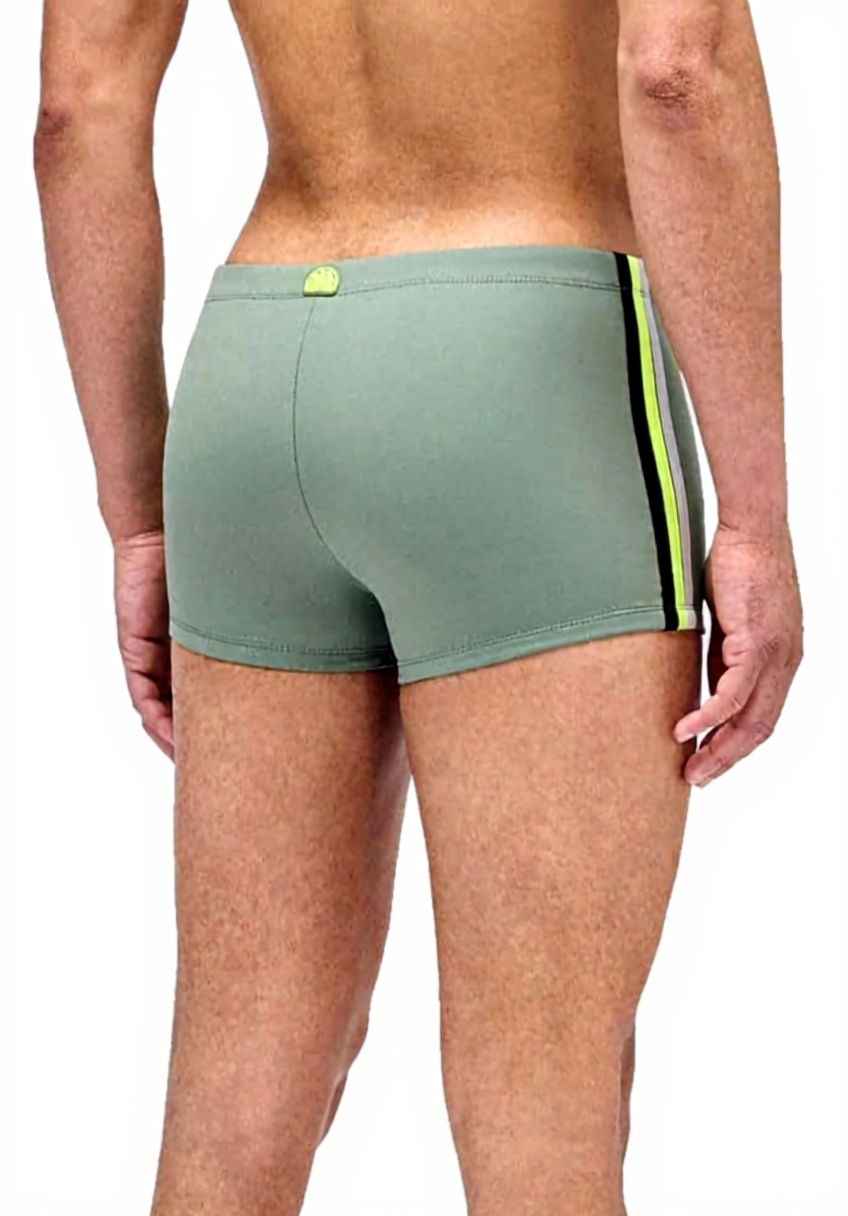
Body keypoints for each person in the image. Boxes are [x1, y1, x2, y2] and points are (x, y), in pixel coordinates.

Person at [33, 0, 803, 1212]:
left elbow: (76, 114)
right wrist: (754, 518)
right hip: (528, 367)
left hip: (256, 370)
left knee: (236, 1108)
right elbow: (677, 66)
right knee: (542, 1108)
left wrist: (137, 515)